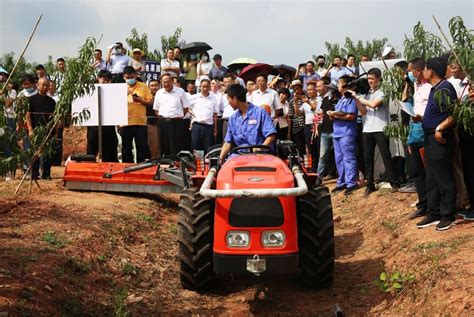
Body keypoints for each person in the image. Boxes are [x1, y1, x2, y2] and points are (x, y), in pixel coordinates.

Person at [416, 57, 457, 231]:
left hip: (440, 137)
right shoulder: (434, 89)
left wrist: (440, 128)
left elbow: (454, 115)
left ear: (430, 71)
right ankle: (434, 212)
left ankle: (448, 215)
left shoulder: (445, 88)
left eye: (424, 69)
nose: (422, 72)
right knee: (431, 177)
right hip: (430, 137)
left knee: (443, 176)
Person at [351, 68, 398, 196]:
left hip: (381, 128)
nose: (370, 81)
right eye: (368, 79)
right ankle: (370, 184)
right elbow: (364, 111)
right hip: (367, 129)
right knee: (368, 158)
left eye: (372, 79)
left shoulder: (383, 91)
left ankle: (394, 183)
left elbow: (374, 105)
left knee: (386, 156)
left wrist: (359, 98)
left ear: (378, 78)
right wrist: (356, 99)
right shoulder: (366, 93)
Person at [219, 84, 276, 162]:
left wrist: (261, 148)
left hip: (261, 156)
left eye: (229, 100)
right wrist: (220, 160)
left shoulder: (260, 113)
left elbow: (271, 135)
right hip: (239, 156)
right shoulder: (233, 119)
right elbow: (227, 143)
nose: (228, 103)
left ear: (235, 99)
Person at [328, 75, 358, 195]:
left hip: (347, 132)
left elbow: (351, 116)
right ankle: (342, 182)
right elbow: (337, 116)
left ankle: (351, 183)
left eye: (339, 83)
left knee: (348, 158)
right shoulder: (341, 99)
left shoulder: (351, 99)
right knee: (339, 159)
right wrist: (332, 115)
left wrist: (335, 115)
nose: (338, 86)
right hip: (337, 132)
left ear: (345, 85)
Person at [121, 66, 153, 163]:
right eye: (127, 78)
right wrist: (125, 94)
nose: (130, 79)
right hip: (125, 123)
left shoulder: (143, 86)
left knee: (142, 147)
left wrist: (141, 100)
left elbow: (150, 102)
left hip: (140, 122)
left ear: (135, 75)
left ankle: (141, 167)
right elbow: (114, 104)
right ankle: (126, 167)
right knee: (126, 148)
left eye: (131, 77)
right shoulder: (120, 87)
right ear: (123, 77)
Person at [26, 78, 56, 180]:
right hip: (35, 130)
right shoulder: (31, 100)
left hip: (48, 131)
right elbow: (28, 115)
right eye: (43, 85)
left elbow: (54, 117)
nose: (45, 87)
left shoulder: (52, 102)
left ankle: (46, 173)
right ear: (37, 85)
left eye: (47, 85)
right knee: (35, 152)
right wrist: (30, 129)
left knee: (48, 153)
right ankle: (34, 174)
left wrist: (53, 130)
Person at [153, 73, 190, 156]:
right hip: (163, 123)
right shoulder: (159, 93)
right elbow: (156, 110)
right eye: (164, 82)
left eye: (168, 81)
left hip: (177, 122)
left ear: (173, 81)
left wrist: (178, 116)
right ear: (161, 83)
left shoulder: (180, 91)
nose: (166, 84)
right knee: (163, 145)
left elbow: (186, 108)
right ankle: (164, 163)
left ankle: (176, 164)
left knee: (176, 146)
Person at [86, 70, 119, 162]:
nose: (105, 82)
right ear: (98, 79)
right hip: (93, 123)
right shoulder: (90, 90)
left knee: (108, 148)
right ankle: (90, 168)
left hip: (109, 124)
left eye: (108, 80)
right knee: (92, 146)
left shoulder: (115, 92)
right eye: (103, 80)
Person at [189, 79, 219, 152]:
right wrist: (192, 113)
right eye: (203, 87)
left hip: (209, 126)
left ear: (209, 87)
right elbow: (187, 107)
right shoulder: (194, 97)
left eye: (207, 87)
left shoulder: (213, 99)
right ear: (200, 87)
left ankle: (207, 163)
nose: (205, 89)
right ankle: (195, 163)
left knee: (208, 148)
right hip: (197, 125)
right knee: (196, 147)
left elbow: (215, 114)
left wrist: (215, 128)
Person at [316, 79, 338, 179]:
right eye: (328, 89)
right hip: (325, 131)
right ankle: (318, 178)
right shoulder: (325, 100)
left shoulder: (339, 101)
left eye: (331, 89)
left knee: (337, 154)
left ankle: (336, 175)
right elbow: (320, 112)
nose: (329, 91)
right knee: (322, 156)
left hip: (336, 131)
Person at [287, 80, 306, 156]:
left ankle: (310, 166)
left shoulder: (307, 99)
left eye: (297, 89)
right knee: (300, 149)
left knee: (308, 148)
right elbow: (290, 117)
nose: (296, 91)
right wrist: (288, 132)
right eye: (294, 90)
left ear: (301, 88)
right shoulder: (291, 102)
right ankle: (302, 166)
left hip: (307, 127)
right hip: (296, 128)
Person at [147, 78, 160, 158]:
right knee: (152, 146)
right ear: (148, 87)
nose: (154, 87)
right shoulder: (147, 98)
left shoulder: (163, 96)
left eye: (156, 85)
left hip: (162, 124)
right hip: (151, 125)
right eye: (152, 86)